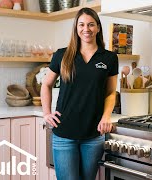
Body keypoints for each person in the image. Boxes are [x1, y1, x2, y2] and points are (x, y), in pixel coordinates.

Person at [41, 7, 118, 180]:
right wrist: (46, 113)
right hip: (64, 133)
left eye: (91, 24)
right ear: (76, 28)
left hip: (93, 135)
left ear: (98, 27)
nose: (86, 29)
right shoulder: (62, 55)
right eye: (81, 24)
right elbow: (46, 84)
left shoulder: (109, 58)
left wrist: (106, 116)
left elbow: (111, 92)